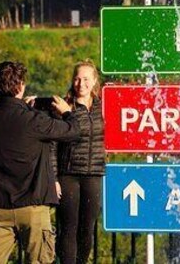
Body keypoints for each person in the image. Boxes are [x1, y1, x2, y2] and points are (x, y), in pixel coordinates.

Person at [0, 61, 82, 264]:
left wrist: (25, 108)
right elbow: (74, 131)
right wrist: (66, 111)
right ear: (21, 85)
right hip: (33, 207)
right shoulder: (34, 121)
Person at [55, 60, 106, 264]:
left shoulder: (103, 107)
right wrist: (53, 177)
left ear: (94, 81)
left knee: (87, 229)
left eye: (86, 79)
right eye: (77, 78)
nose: (81, 83)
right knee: (68, 228)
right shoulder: (62, 106)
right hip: (68, 174)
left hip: (93, 173)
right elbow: (52, 145)